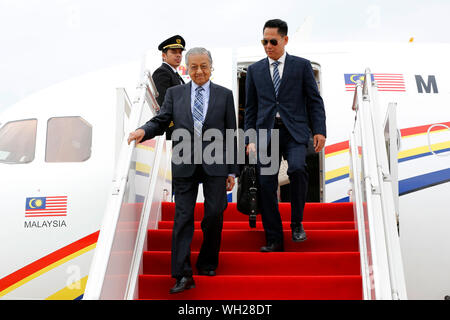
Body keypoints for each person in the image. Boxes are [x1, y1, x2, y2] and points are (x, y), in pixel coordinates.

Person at [128, 47, 238, 294]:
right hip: (184, 162)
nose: (199, 71)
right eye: (194, 67)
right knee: (183, 218)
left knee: (213, 215)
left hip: (216, 164)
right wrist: (143, 131)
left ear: (211, 67)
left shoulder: (225, 95)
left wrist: (232, 171)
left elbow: (231, 133)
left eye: (204, 66)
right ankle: (182, 274)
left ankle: (208, 262)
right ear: (186, 69)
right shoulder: (175, 94)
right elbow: (161, 119)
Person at [244, 19, 326, 252]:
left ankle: (297, 223)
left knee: (298, 169)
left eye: (272, 41)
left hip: (294, 131)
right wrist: (249, 138)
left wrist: (319, 129)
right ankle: (274, 238)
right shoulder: (254, 70)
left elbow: (314, 101)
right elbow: (250, 108)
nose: (268, 46)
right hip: (265, 133)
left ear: (285, 40)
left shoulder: (301, 66)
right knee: (266, 183)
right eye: (264, 41)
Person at [153, 35, 186, 140]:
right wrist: (173, 127)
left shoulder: (175, 74)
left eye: (180, 52)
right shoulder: (162, 72)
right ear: (164, 55)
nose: (178, 55)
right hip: (173, 131)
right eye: (174, 52)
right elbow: (163, 103)